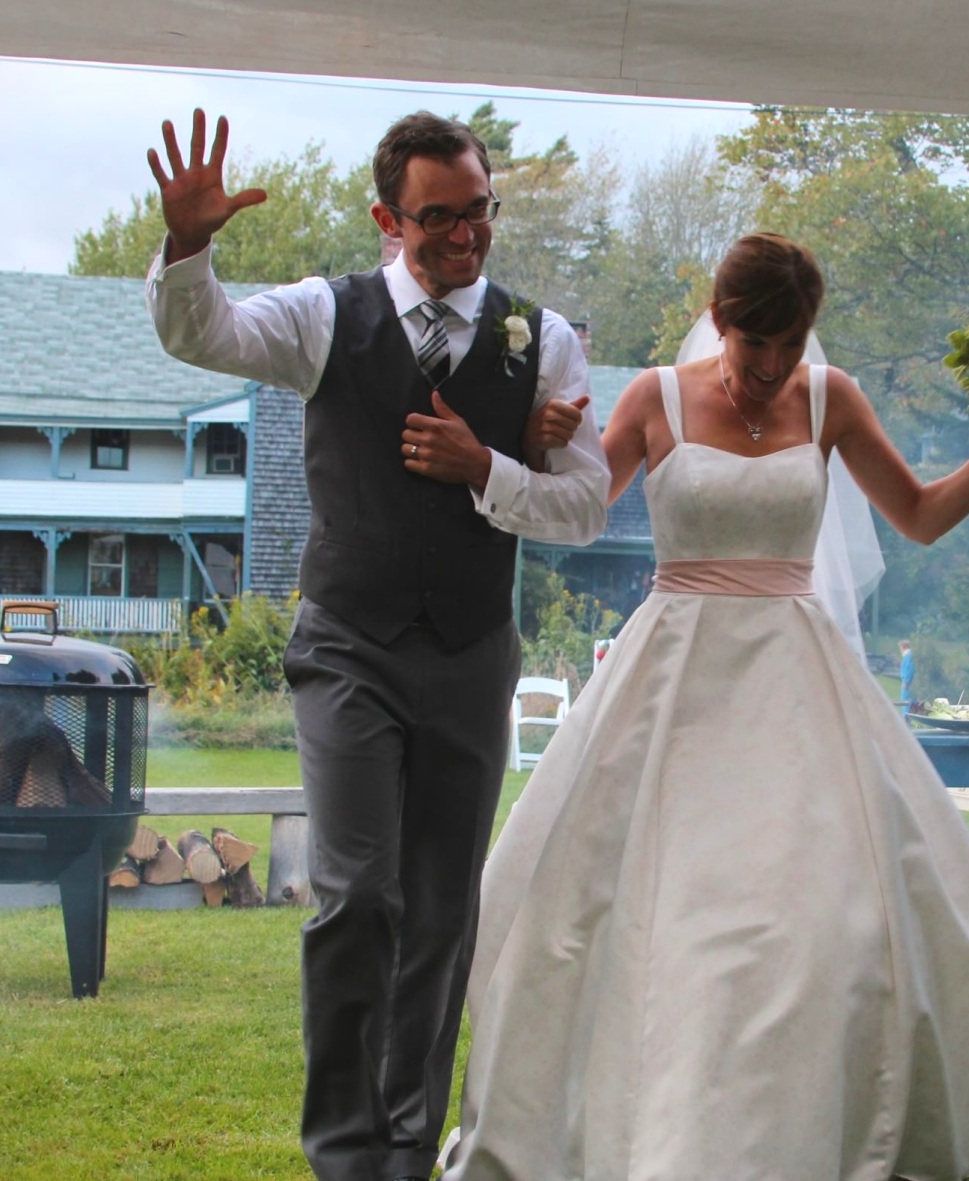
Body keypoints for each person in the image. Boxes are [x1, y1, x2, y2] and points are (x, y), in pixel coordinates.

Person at [443, 233, 969, 1180]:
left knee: (816, 918)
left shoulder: (830, 395)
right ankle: (647, 1129)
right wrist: (529, 449)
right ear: (719, 322)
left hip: (799, 684)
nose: (771, 368)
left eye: (789, 345)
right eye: (753, 344)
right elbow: (582, 510)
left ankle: (796, 1125)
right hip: (673, 678)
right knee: (647, 910)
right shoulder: (654, 398)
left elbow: (921, 515)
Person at [143, 109, 609, 1181]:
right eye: (438, 217)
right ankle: (348, 1153)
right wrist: (189, 247)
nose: (465, 235)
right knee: (359, 895)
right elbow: (200, 332)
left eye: (478, 211)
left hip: (470, 652)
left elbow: (585, 505)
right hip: (349, 645)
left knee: (443, 911)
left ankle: (408, 1148)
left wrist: (485, 465)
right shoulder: (323, 314)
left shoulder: (542, 341)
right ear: (386, 218)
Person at [899, 637, 917, 706]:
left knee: (907, 702)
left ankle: (906, 716)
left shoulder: (908, 656)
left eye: (900, 647)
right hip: (907, 683)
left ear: (903, 647)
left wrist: (906, 682)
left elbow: (909, 669)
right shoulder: (908, 656)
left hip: (908, 684)